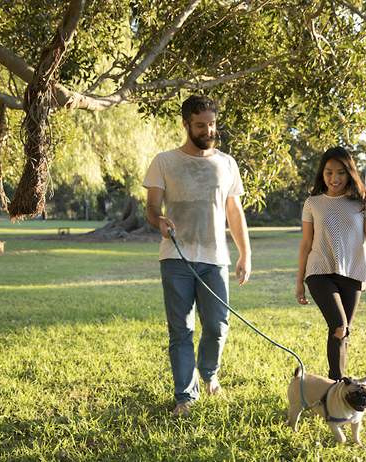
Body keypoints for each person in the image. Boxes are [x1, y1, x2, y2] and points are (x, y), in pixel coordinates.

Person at [143, 95, 252, 417]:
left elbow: (235, 212)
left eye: (212, 124)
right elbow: (151, 207)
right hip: (176, 257)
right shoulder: (164, 161)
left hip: (215, 257)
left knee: (218, 326)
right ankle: (184, 396)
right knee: (181, 330)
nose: (208, 130)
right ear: (186, 125)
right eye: (201, 125)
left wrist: (245, 254)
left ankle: (209, 373)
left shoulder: (226, 163)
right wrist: (158, 220)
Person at [296, 147, 366, 380]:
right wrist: (299, 282)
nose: (334, 178)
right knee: (339, 326)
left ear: (350, 173)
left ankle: (336, 386)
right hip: (319, 271)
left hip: (352, 272)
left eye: (341, 173)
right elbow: (306, 243)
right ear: (322, 174)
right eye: (329, 172)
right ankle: (337, 386)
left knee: (341, 332)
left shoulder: (363, 204)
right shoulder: (313, 203)